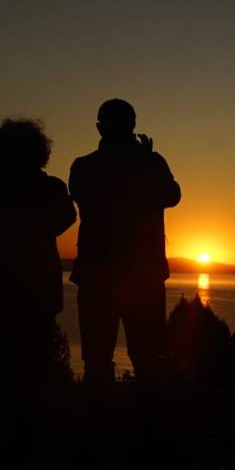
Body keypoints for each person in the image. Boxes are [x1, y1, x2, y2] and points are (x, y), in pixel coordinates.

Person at [0, 118, 76, 439]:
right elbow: (65, 219)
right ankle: (22, 446)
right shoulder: (51, 188)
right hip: (36, 296)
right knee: (30, 380)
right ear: (39, 151)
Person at [70, 99, 181, 386]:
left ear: (99, 127)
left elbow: (172, 196)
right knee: (143, 359)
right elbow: (171, 195)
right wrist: (143, 164)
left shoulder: (85, 166)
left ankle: (106, 422)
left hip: (103, 276)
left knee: (112, 360)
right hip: (135, 275)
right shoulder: (149, 163)